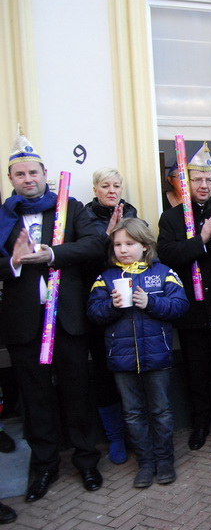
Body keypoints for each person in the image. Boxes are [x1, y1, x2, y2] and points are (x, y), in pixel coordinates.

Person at [0, 127, 105, 501]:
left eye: (33, 172)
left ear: (45, 174)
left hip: (67, 321)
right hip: (25, 325)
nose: (28, 179)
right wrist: (12, 263)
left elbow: (96, 244)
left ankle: (87, 460)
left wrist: (54, 254)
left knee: (77, 393)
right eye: (20, 174)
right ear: (11, 178)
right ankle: (44, 466)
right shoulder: (3, 218)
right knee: (36, 399)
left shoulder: (70, 208)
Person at [157, 143, 211, 451]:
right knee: (196, 371)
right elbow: (168, 255)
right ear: (186, 183)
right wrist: (201, 240)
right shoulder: (171, 219)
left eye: (208, 179)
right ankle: (200, 425)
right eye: (197, 179)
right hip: (191, 310)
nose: (204, 185)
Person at [87, 218, 188, 488]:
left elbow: (180, 305)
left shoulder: (163, 272)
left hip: (157, 356)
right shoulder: (105, 278)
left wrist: (150, 302)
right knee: (132, 413)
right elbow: (93, 313)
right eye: (117, 244)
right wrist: (111, 306)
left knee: (161, 411)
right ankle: (145, 463)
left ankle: (164, 460)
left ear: (145, 245)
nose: (122, 249)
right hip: (121, 359)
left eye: (129, 243)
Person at [84, 167, 139, 465]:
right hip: (101, 303)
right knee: (105, 375)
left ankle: (136, 434)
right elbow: (84, 258)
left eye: (116, 185)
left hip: (132, 307)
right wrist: (107, 235)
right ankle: (115, 436)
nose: (111, 191)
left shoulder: (131, 213)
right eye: (105, 186)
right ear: (95, 189)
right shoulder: (84, 217)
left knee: (133, 374)